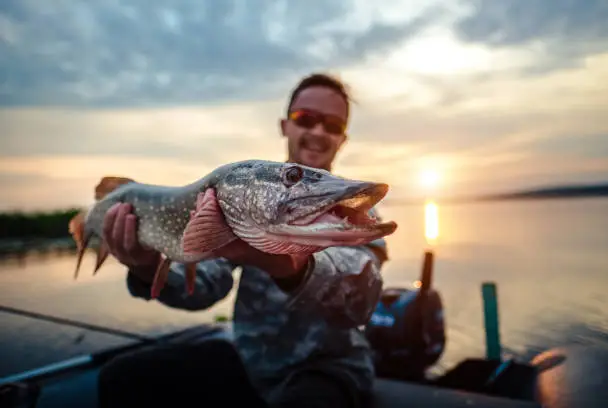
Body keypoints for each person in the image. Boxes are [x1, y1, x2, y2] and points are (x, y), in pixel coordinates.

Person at [97, 73, 391, 408]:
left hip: (328, 368)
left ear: (343, 139)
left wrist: (292, 266)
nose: (318, 132)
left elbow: (360, 301)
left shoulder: (351, 216)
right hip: (252, 363)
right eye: (305, 119)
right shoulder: (244, 198)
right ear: (285, 125)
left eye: (333, 125)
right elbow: (204, 287)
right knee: (122, 377)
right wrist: (147, 266)